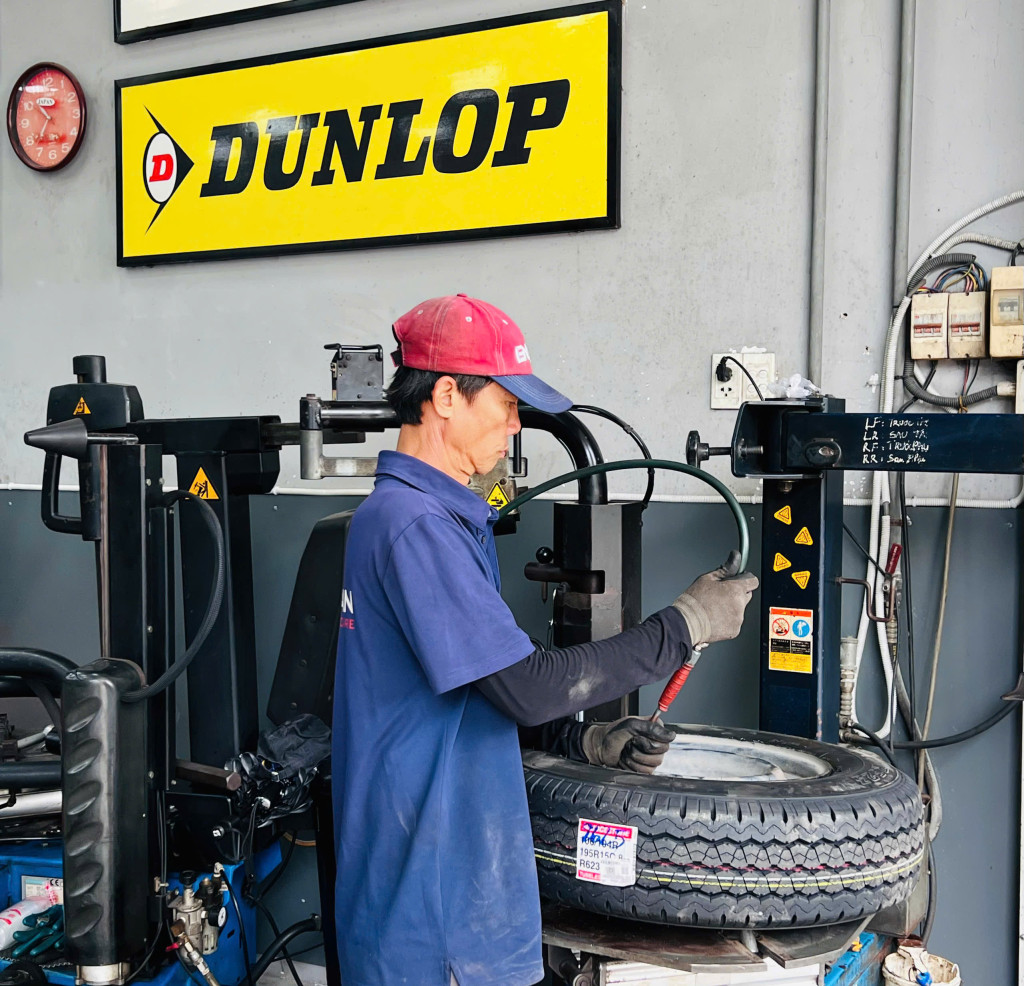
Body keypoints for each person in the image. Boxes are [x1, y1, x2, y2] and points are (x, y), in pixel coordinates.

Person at [331, 294, 758, 986]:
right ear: (447, 396)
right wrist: (683, 626)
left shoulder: (427, 517)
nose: (515, 424)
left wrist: (579, 741)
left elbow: (474, 691)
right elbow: (526, 687)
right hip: (436, 921)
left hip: (442, 900)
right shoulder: (416, 526)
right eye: (506, 403)